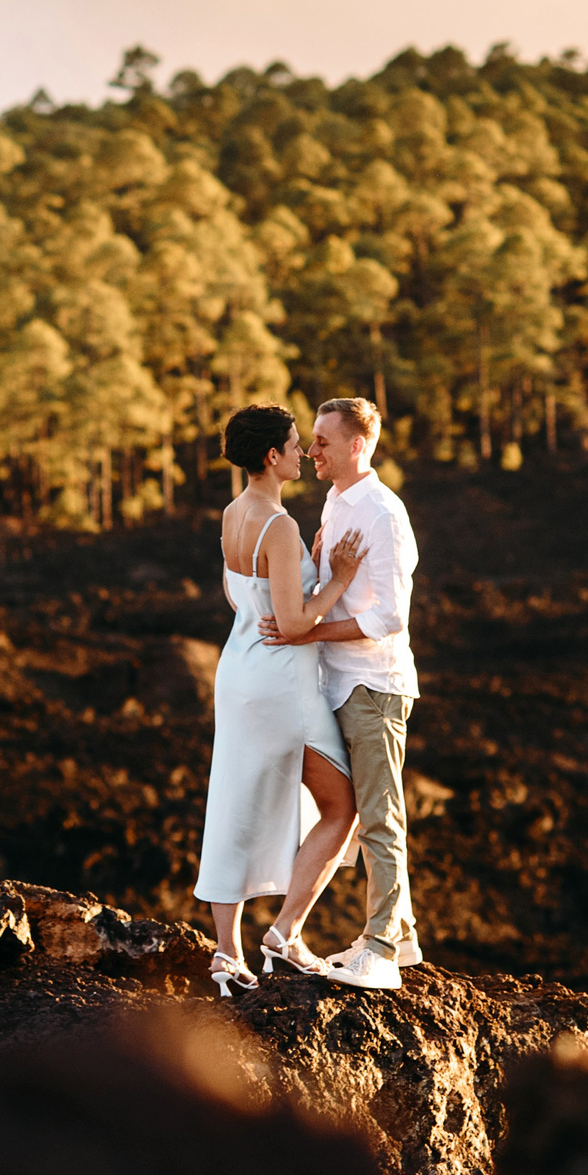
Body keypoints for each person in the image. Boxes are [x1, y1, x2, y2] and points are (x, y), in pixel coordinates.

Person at [194, 404, 368, 997]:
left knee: (234, 801)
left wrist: (304, 566)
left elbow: (240, 593)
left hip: (238, 673)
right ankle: (286, 934)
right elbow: (293, 625)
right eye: (296, 445)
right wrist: (336, 577)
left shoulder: (234, 513)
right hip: (282, 685)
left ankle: (226, 953)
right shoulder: (281, 525)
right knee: (344, 806)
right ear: (272, 455)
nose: (304, 453)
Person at [264, 397, 420, 991]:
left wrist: (308, 630)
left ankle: (379, 953)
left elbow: (389, 618)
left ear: (358, 445)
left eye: (323, 441)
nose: (311, 451)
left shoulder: (383, 513)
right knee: (360, 814)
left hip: (372, 685)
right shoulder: (335, 501)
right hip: (335, 682)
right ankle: (399, 934)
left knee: (380, 817)